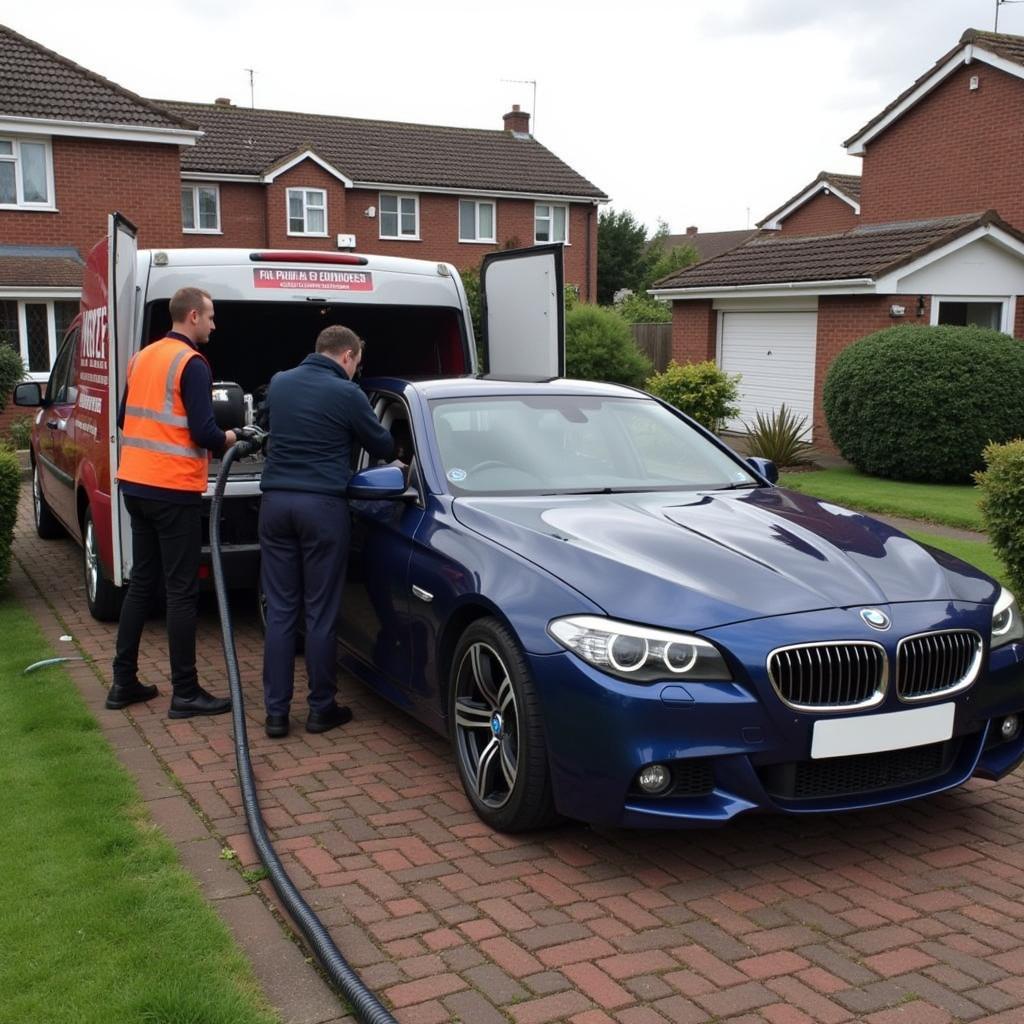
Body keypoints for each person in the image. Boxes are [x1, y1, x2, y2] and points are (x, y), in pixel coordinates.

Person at [106, 287, 237, 718]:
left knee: (142, 583)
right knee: (181, 590)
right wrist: (233, 439)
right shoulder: (192, 363)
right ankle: (186, 693)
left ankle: (123, 682)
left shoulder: (143, 356)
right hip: (172, 490)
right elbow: (203, 432)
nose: (215, 326)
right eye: (212, 318)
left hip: (135, 485)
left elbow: (126, 417)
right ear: (193, 316)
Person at [259, 325, 394, 738]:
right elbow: (384, 446)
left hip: (276, 505)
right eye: (357, 364)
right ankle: (321, 709)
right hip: (322, 506)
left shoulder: (280, 382)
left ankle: (276, 715)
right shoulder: (348, 393)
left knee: (281, 610)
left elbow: (266, 426)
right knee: (320, 610)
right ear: (348, 357)